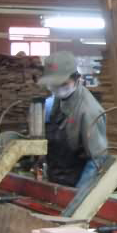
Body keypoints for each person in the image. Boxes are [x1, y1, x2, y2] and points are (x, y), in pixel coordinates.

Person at [39, 51, 107, 190]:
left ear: (76, 78)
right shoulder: (54, 102)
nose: (57, 88)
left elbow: (97, 159)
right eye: (53, 84)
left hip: (76, 182)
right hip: (55, 180)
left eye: (62, 83)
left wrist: (78, 196)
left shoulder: (89, 110)